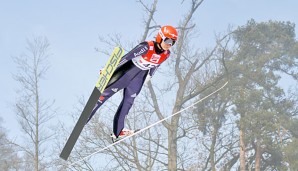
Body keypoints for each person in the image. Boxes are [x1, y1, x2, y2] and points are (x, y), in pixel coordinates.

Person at [87, 25, 178, 141]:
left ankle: (118, 131)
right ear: (160, 37)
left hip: (139, 78)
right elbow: (127, 57)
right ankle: (86, 116)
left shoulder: (166, 54)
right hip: (127, 72)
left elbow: (156, 65)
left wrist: (149, 76)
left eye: (172, 42)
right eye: (168, 40)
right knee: (104, 95)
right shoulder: (147, 46)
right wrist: (108, 69)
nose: (169, 44)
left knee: (128, 102)